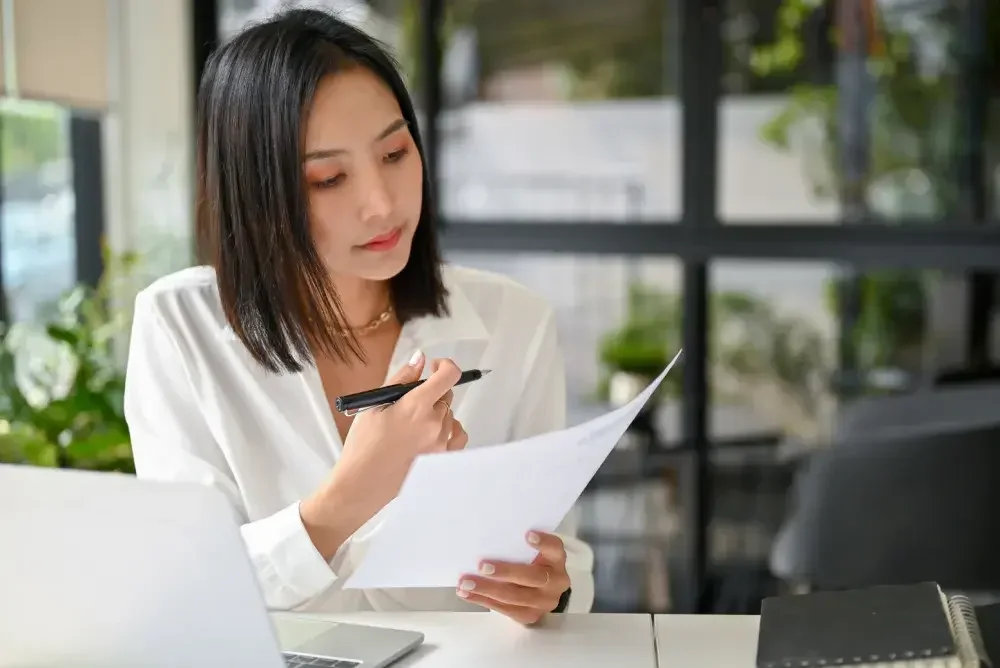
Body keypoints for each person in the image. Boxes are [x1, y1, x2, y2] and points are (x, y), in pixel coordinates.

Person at [123, 8, 594, 623]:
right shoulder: (178, 327)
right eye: (329, 178)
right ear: (257, 192)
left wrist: (551, 591)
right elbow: (184, 595)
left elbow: (566, 564)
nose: (381, 204)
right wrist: (351, 494)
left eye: (395, 153)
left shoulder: (517, 323)